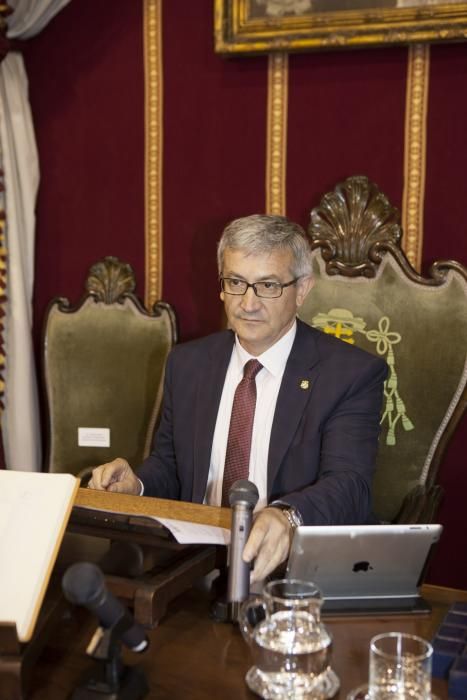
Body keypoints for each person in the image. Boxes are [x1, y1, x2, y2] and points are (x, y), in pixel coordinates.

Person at [89, 214, 387, 582]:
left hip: (293, 570)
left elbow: (349, 484)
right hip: (191, 565)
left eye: (267, 286)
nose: (248, 303)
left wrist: (287, 515)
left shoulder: (349, 374)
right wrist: (138, 484)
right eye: (236, 282)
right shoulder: (188, 364)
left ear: (303, 290)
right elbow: (172, 464)